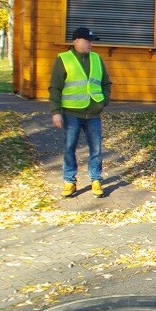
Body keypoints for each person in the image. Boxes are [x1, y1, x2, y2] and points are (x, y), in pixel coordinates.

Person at [49, 27, 112, 199]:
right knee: (69, 148)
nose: (91, 44)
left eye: (92, 41)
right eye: (88, 40)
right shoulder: (63, 59)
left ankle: (96, 180)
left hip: (93, 113)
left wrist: (104, 100)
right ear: (76, 41)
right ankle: (69, 181)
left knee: (96, 149)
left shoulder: (97, 59)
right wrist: (56, 112)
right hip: (72, 113)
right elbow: (55, 87)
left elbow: (106, 83)